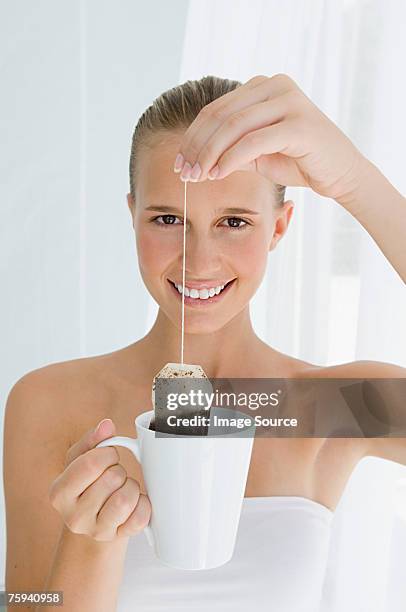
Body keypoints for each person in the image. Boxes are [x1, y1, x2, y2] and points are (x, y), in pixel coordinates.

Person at [4, 73, 406, 611]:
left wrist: (355, 181)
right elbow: (28, 600)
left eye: (234, 221)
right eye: (168, 218)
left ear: (279, 228)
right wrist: (90, 544)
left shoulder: (328, 407)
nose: (199, 259)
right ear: (132, 216)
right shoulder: (49, 402)